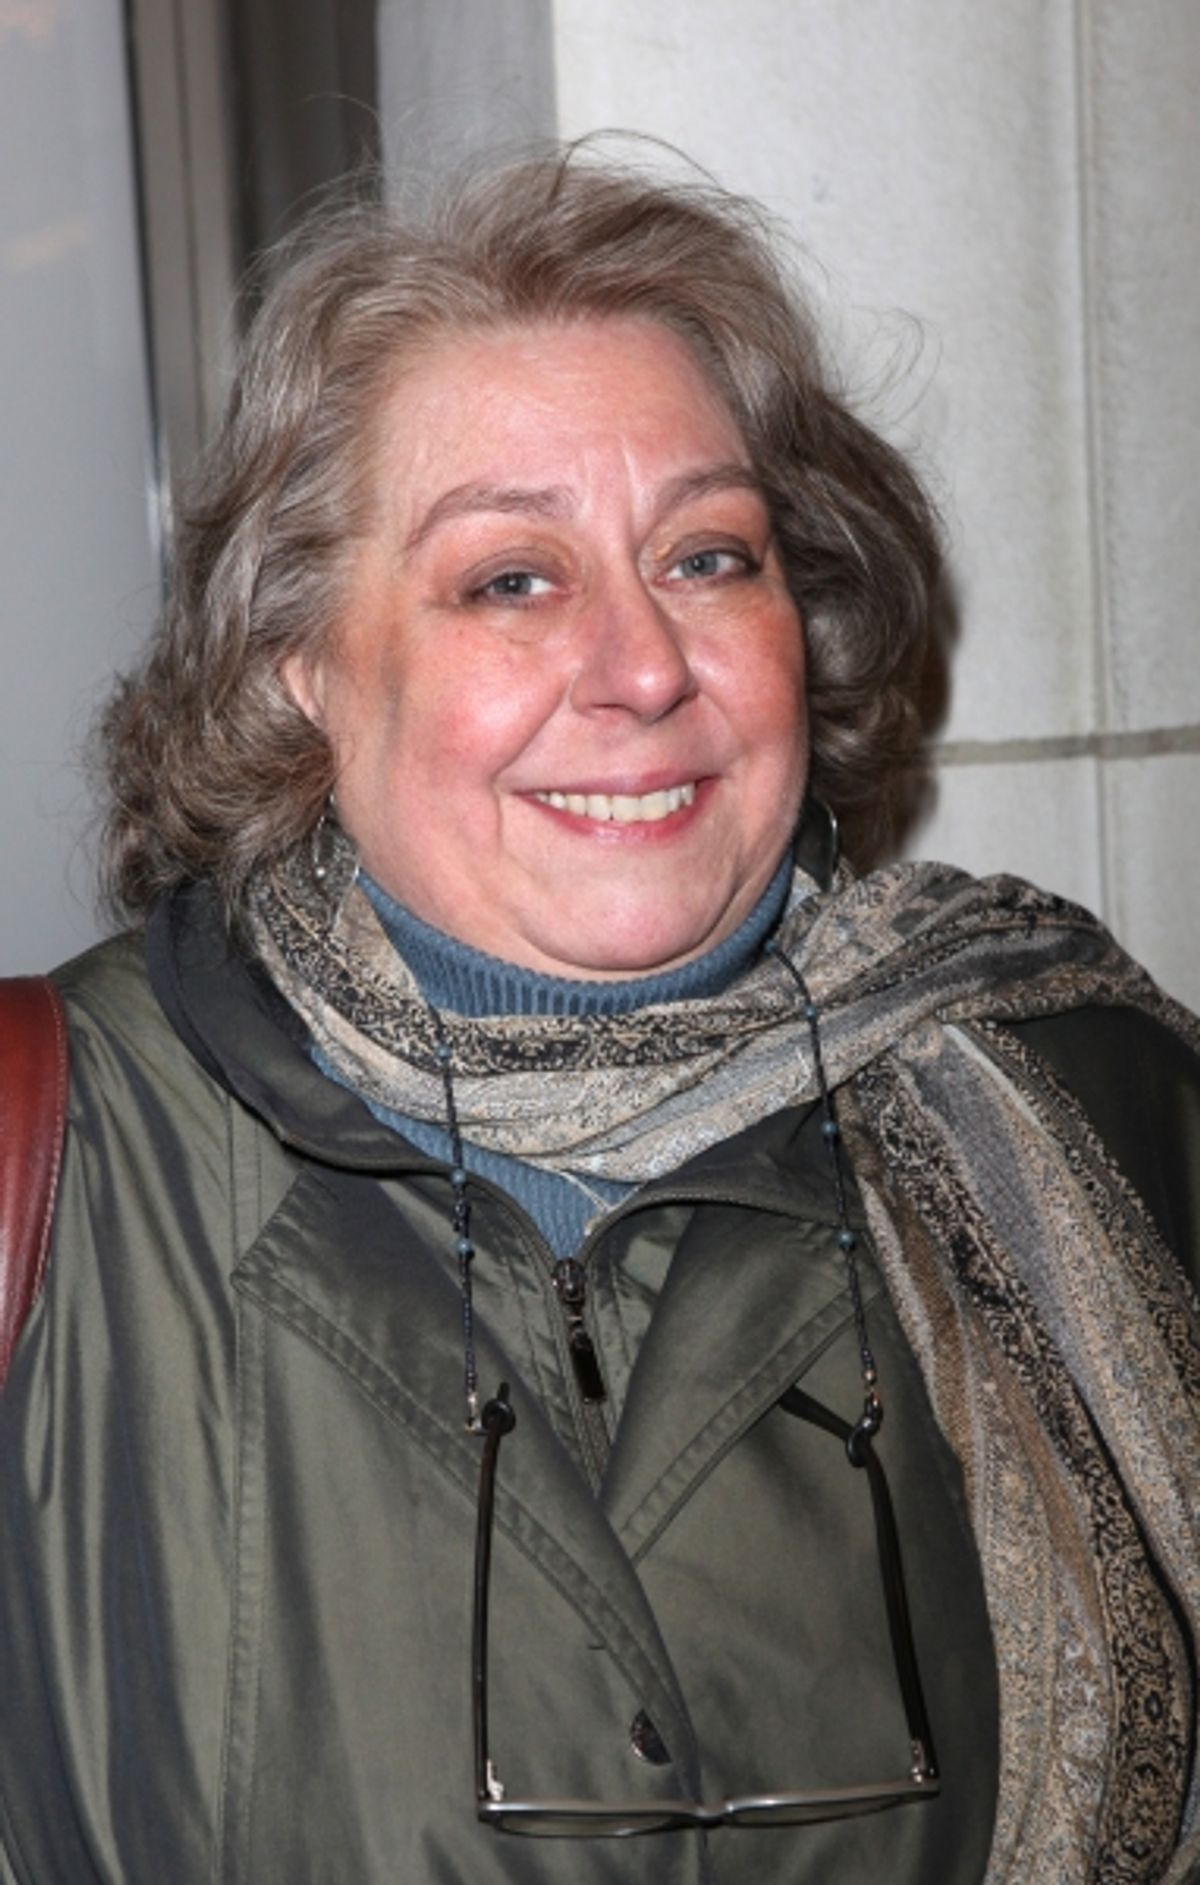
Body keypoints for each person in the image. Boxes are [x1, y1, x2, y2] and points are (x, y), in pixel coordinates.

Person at [2, 145, 1198, 1885]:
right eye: (513, 578)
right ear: (302, 664)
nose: (643, 667)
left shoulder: (1085, 1110)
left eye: (708, 557)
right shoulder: (61, 1178)